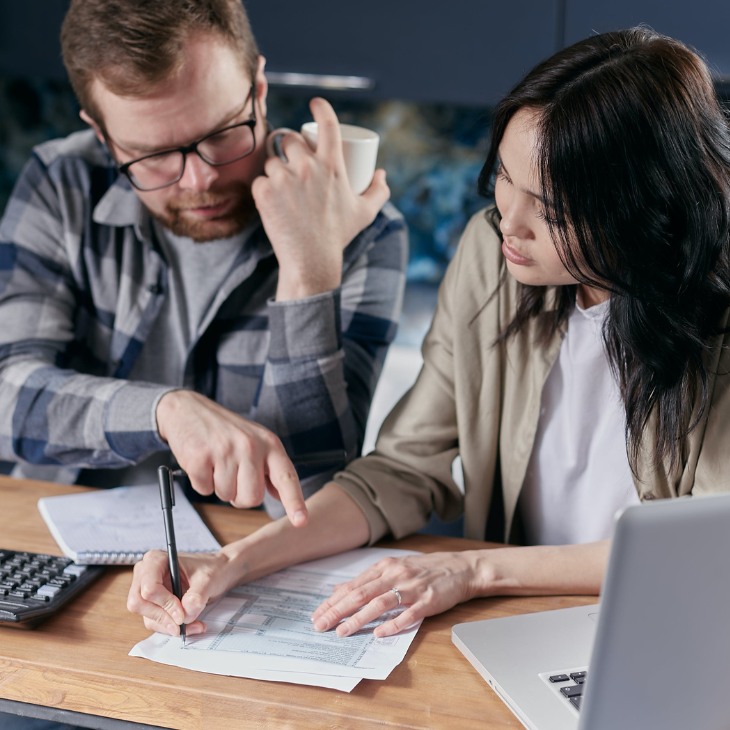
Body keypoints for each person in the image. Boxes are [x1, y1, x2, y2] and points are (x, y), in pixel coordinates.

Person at [128, 26, 730, 642]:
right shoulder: (489, 257)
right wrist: (235, 562)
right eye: (504, 177)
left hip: (667, 630)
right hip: (514, 624)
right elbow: (404, 470)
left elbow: (708, 546)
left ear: (646, 210)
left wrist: (471, 569)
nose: (509, 224)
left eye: (550, 209)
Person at [0, 0, 407, 525]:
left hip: (249, 558)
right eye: (153, 155)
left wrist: (309, 273)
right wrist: (164, 412)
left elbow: (312, 496)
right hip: (55, 531)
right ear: (104, 137)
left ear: (258, 90)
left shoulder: (362, 225)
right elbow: (8, 396)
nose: (200, 180)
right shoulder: (62, 183)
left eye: (221, 134)